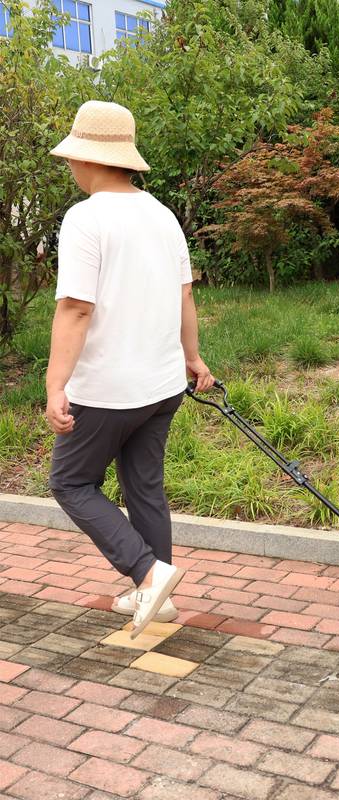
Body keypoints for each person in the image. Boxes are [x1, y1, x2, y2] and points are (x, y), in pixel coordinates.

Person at [45, 100, 214, 638]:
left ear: (88, 159)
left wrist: (55, 384)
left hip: (109, 389)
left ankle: (146, 574)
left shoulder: (86, 218)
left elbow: (75, 307)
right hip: (163, 384)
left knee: (70, 482)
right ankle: (156, 600)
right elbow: (185, 295)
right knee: (144, 487)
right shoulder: (162, 215)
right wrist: (193, 357)